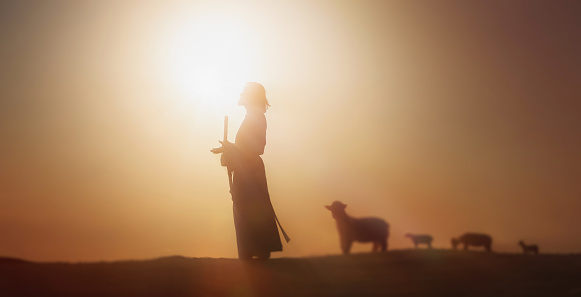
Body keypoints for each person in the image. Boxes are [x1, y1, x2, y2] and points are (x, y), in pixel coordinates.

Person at [211, 82, 283, 260]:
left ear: (250, 96)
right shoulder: (252, 116)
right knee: (245, 210)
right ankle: (250, 256)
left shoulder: (256, 117)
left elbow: (257, 147)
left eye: (244, 92)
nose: (240, 94)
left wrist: (231, 149)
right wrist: (229, 149)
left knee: (251, 211)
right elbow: (247, 147)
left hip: (250, 172)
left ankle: (256, 257)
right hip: (247, 171)